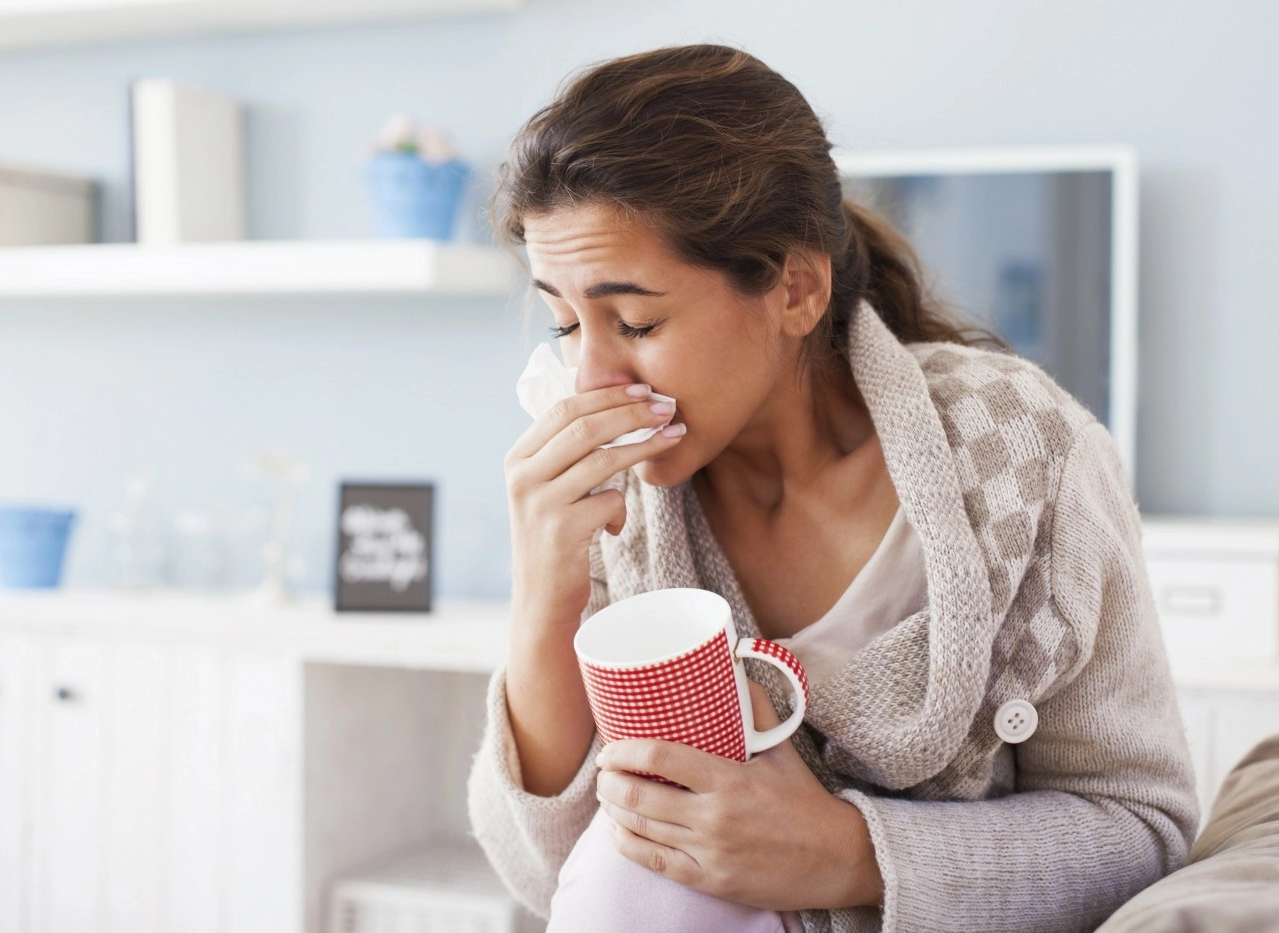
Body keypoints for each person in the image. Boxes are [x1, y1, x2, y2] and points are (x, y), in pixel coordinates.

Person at [466, 43, 1199, 933]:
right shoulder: (613, 514)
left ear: (797, 288)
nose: (590, 378)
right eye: (565, 323)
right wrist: (544, 599)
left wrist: (850, 855)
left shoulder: (1027, 455)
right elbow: (556, 879)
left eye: (636, 321)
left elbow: (1142, 831)